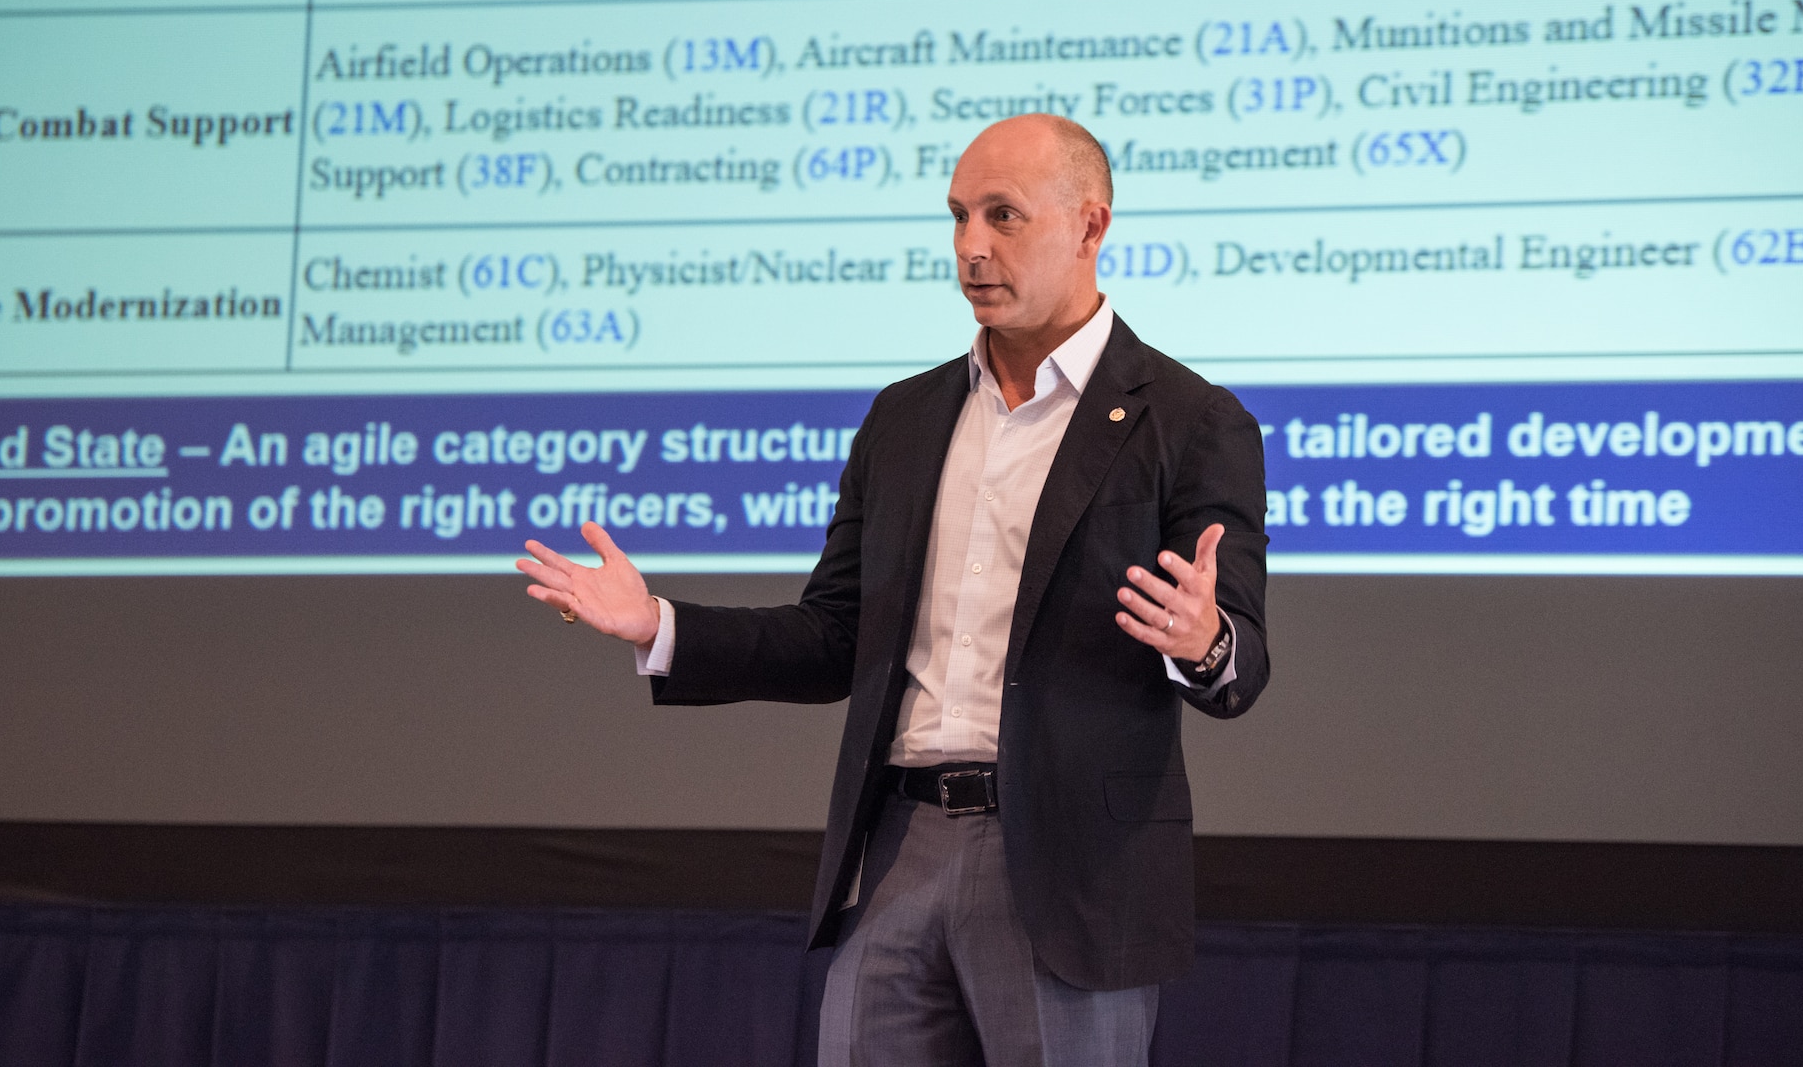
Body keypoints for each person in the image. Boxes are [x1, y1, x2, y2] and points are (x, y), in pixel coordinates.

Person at [517, 112, 1268, 1066]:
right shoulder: (907, 417)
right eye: (957, 217)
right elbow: (837, 635)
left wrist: (1203, 638)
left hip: (1069, 868)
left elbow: (1241, 660)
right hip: (898, 846)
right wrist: (662, 625)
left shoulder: (1192, 420)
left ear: (1089, 226)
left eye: (1003, 216)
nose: (970, 248)